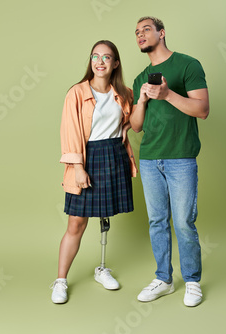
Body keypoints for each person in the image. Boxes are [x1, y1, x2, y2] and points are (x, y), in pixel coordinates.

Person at [131, 16, 209, 307]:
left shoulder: (188, 65)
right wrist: (142, 100)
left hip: (181, 158)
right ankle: (163, 278)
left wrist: (167, 94)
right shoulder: (141, 78)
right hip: (150, 159)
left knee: (184, 222)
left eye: (146, 30)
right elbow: (136, 126)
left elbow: (202, 109)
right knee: (157, 222)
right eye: (137, 32)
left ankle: (192, 280)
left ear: (162, 33)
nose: (140, 35)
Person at [51, 40, 137, 304]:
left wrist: (129, 125)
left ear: (115, 63)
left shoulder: (125, 92)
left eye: (106, 57)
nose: (100, 62)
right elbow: (70, 131)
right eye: (95, 57)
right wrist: (77, 167)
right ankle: (61, 281)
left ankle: (101, 268)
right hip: (87, 156)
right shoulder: (76, 93)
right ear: (90, 61)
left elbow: (133, 121)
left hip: (114, 154)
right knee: (76, 222)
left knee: (105, 214)